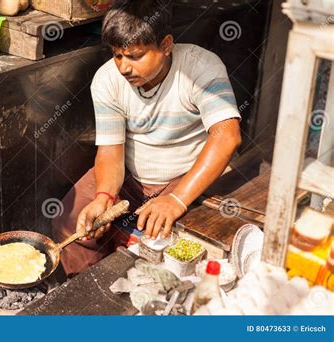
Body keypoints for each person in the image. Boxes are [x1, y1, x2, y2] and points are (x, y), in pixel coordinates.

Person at [52, 0, 242, 276]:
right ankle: (93, 296)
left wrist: (177, 199)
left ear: (166, 45)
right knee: (71, 224)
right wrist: (104, 196)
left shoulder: (201, 68)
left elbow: (227, 137)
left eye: (135, 56)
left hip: (185, 176)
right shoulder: (106, 80)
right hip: (130, 174)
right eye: (117, 55)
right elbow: (110, 151)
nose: (123, 68)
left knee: (164, 242)